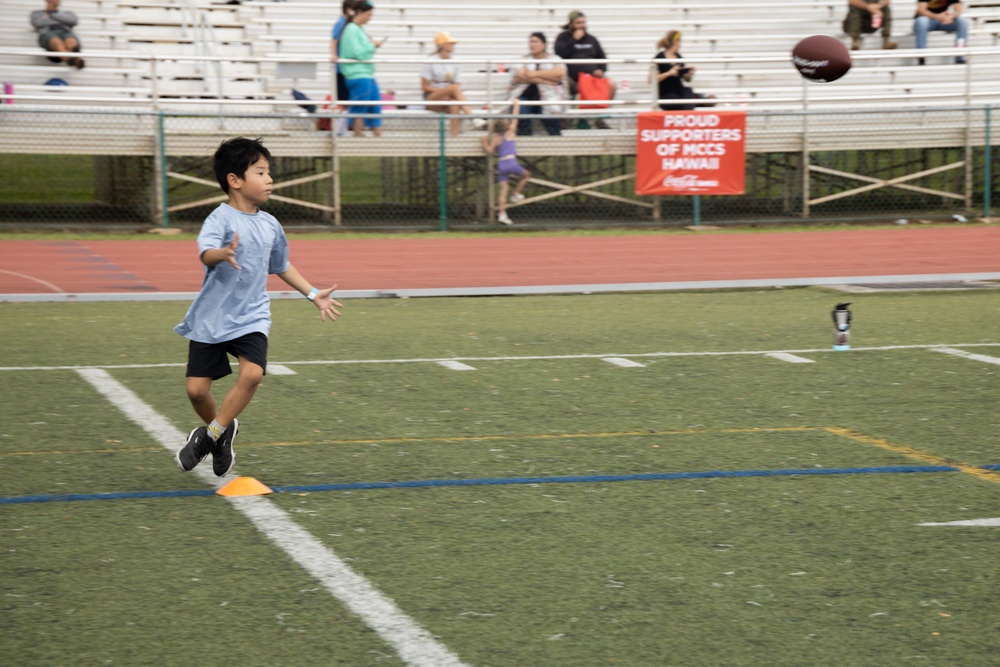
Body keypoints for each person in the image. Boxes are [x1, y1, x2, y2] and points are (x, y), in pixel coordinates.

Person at [174, 137, 342, 477]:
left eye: (269, 172)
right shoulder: (219, 220)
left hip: (252, 315)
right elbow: (205, 252)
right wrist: (221, 254)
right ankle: (221, 432)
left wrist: (313, 294)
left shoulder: (270, 225)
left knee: (252, 373)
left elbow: (280, 265)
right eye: (260, 172)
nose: (269, 180)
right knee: (196, 390)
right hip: (212, 316)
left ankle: (211, 435)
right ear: (235, 180)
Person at [554, 10, 615, 128]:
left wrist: (601, 70)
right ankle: (564, 121)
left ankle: (599, 117)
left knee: (611, 84)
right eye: (578, 23)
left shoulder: (591, 39)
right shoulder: (563, 37)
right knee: (559, 85)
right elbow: (560, 54)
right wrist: (574, 40)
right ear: (571, 24)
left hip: (591, 78)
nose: (582, 26)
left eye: (584, 22)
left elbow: (602, 57)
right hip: (572, 79)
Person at [338, 1, 385, 136]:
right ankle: (357, 137)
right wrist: (372, 46)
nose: (370, 18)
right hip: (357, 74)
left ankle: (378, 140)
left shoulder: (359, 29)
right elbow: (357, 53)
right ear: (359, 13)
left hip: (367, 74)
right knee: (360, 107)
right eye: (368, 15)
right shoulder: (352, 29)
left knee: (376, 107)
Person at [507, 32, 568, 136]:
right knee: (521, 110)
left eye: (536, 42)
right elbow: (519, 75)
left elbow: (560, 73)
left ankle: (557, 143)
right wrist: (547, 79)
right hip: (525, 97)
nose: (532, 44)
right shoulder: (523, 59)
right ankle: (525, 142)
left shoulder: (554, 59)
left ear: (544, 44)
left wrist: (533, 74)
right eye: (531, 42)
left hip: (547, 97)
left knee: (551, 113)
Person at [482, 100, 530, 226]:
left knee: (503, 189)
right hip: (511, 162)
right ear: (506, 126)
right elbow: (515, 119)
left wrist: (484, 142)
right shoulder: (510, 132)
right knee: (526, 175)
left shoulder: (496, 138)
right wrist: (517, 105)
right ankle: (516, 194)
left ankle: (502, 214)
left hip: (501, 164)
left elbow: (490, 151)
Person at [421, 32, 473, 137]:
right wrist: (445, 90)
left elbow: (457, 85)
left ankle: (454, 137)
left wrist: (448, 91)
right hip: (432, 98)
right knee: (453, 88)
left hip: (448, 97)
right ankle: (472, 117)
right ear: (443, 45)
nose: (453, 45)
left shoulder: (456, 62)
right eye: (451, 43)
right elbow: (425, 87)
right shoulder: (430, 61)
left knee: (454, 105)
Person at [651, 30, 713, 111]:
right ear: (675, 42)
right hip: (666, 94)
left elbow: (687, 79)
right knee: (682, 100)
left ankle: (693, 108)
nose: (680, 45)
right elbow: (652, 79)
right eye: (679, 42)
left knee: (688, 91)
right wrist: (669, 73)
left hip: (679, 91)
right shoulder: (659, 57)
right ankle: (697, 104)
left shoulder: (678, 56)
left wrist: (689, 72)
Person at [30, 0, 84, 69]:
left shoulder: (68, 13)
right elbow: (37, 23)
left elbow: (73, 21)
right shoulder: (37, 13)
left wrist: (51, 15)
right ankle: (73, 59)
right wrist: (59, 21)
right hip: (48, 33)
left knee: (71, 41)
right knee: (56, 41)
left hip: (65, 32)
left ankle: (70, 58)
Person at [913, 0, 970, 65]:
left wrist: (951, 16)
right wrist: (938, 17)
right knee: (921, 21)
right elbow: (921, 11)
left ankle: (960, 55)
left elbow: (958, 9)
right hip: (927, 21)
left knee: (962, 22)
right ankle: (921, 55)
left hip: (943, 21)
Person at [330, 0, 360, 104]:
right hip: (341, 69)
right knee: (344, 101)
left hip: (347, 68)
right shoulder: (342, 23)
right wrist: (334, 55)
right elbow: (334, 40)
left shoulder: (350, 24)